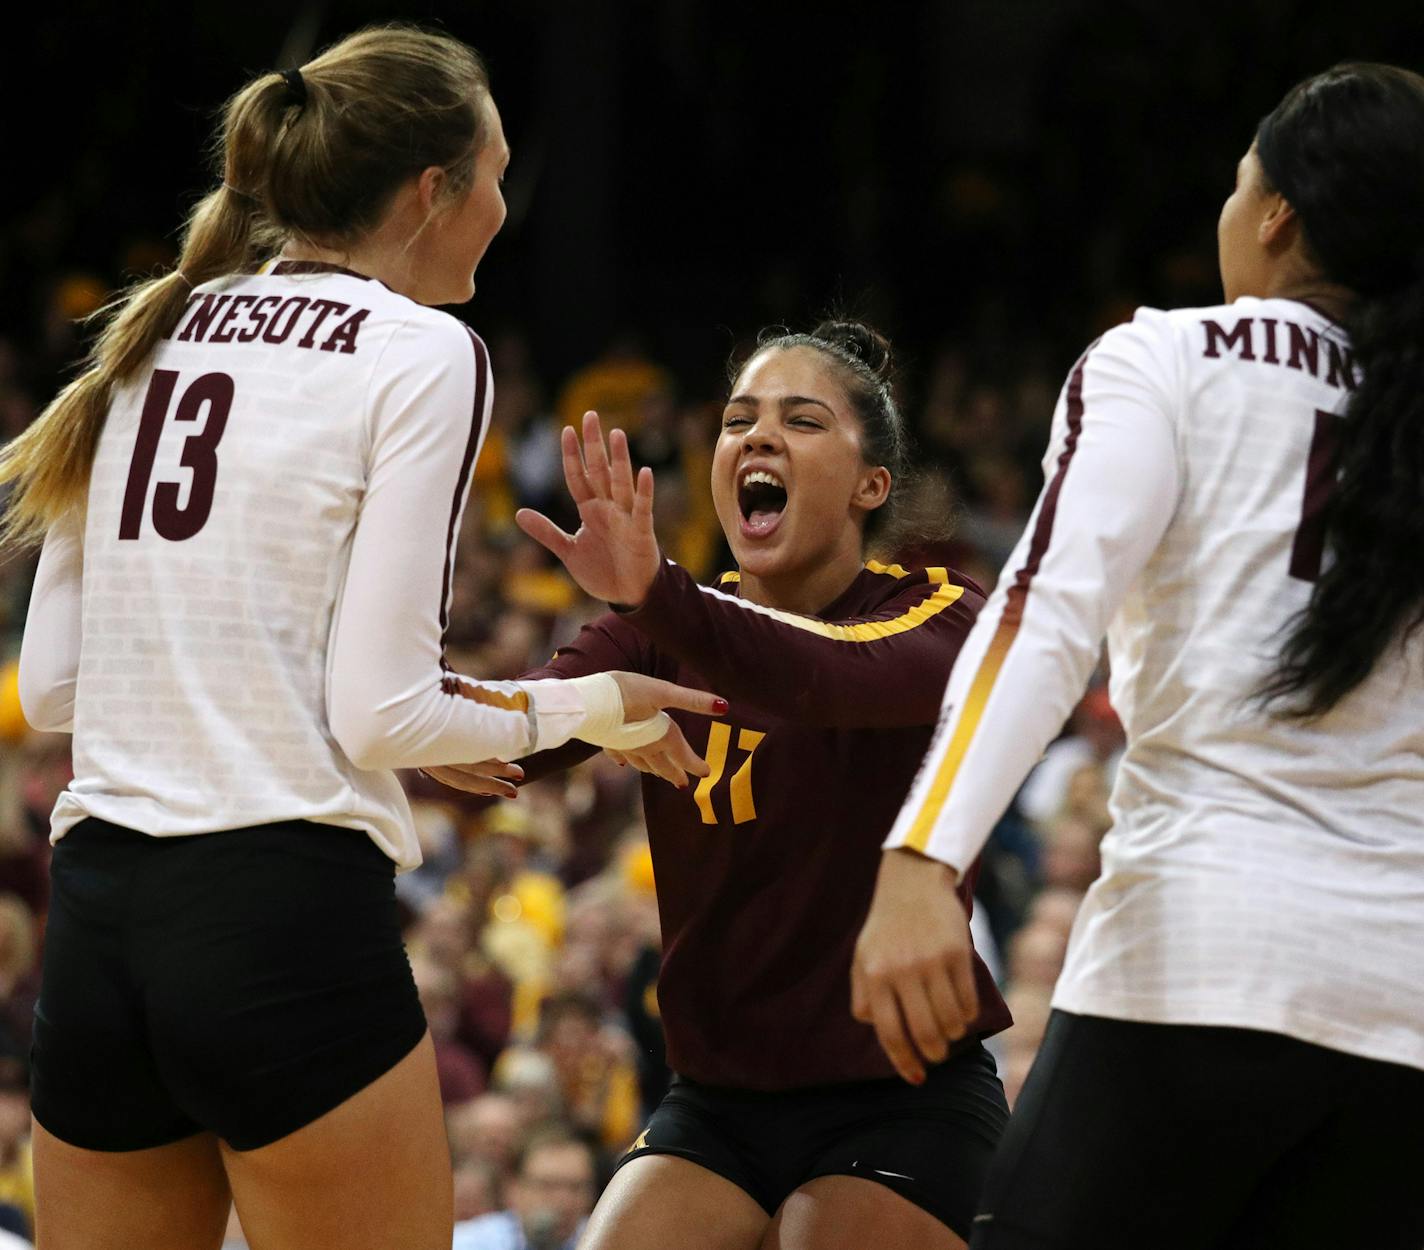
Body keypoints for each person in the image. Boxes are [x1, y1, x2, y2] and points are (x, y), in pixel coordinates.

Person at [0, 26, 720, 1250]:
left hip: (103, 918)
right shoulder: (423, 351)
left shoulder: (148, 330)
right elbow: (382, 715)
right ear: (431, 192)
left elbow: (60, 685)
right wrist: (597, 705)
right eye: (495, 176)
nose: (503, 208)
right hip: (280, 919)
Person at [852, 62, 1424, 1249]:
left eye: (1235, 184)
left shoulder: (1168, 358)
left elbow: (1044, 612)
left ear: (1276, 213)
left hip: (1194, 958)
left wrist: (924, 852)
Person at [445, 321, 1014, 1249]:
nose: (758, 436)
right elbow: (489, 746)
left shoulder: (939, 612)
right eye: (739, 418)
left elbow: (822, 677)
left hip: (905, 1095)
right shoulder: (660, 626)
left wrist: (658, 597)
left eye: (802, 420)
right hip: (717, 1102)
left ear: (872, 485)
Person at [451, 1126, 597, 1250]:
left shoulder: (606, 1241)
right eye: (548, 1186)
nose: (564, 1201)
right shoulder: (469, 1242)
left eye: (576, 1188)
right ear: (515, 1189)